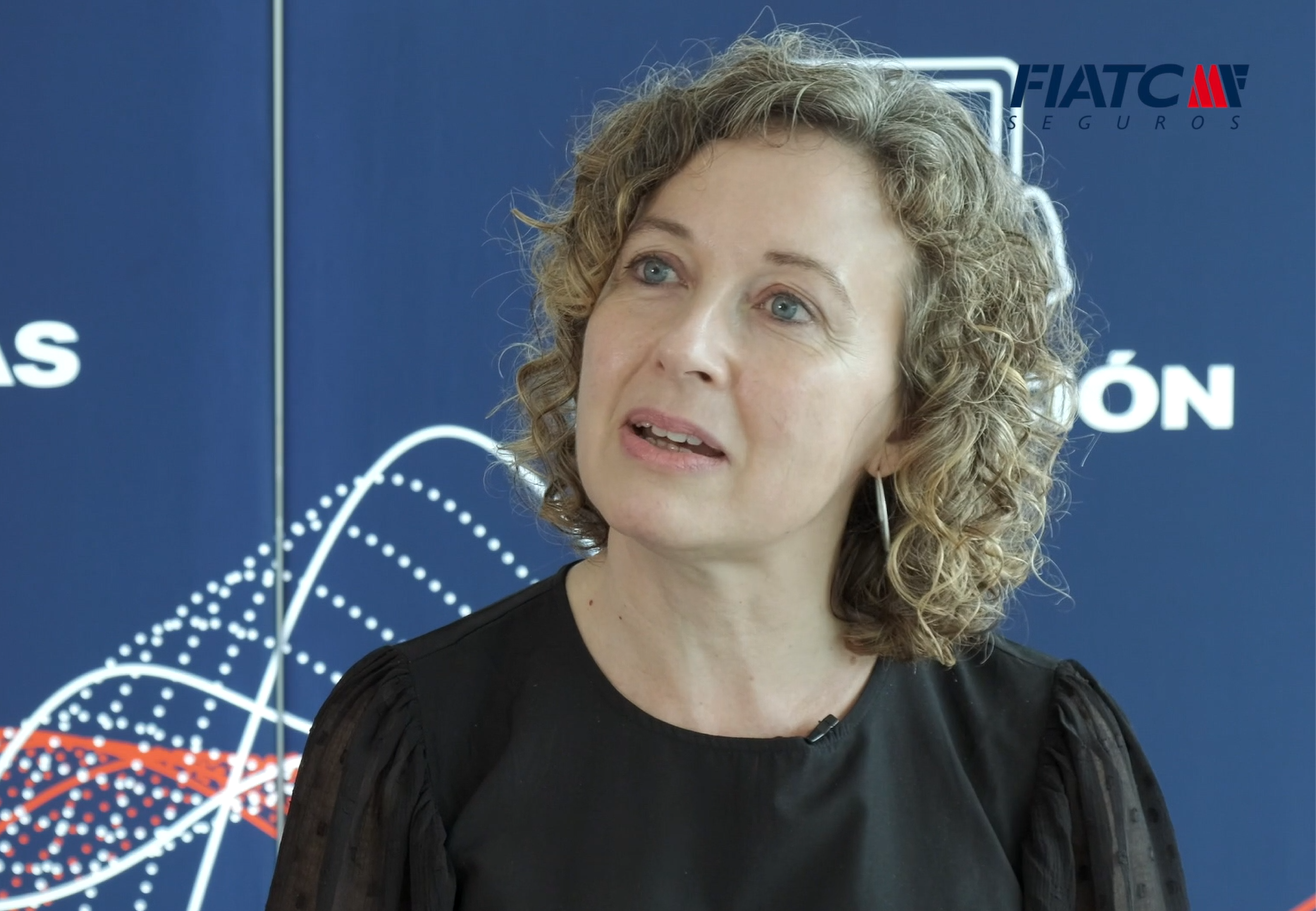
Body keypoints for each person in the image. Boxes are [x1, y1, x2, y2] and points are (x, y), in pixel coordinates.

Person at [265, 25, 1188, 911]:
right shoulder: (418, 742)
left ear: (909, 420)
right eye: (655, 269)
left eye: (786, 306)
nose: (686, 344)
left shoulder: (1038, 757)